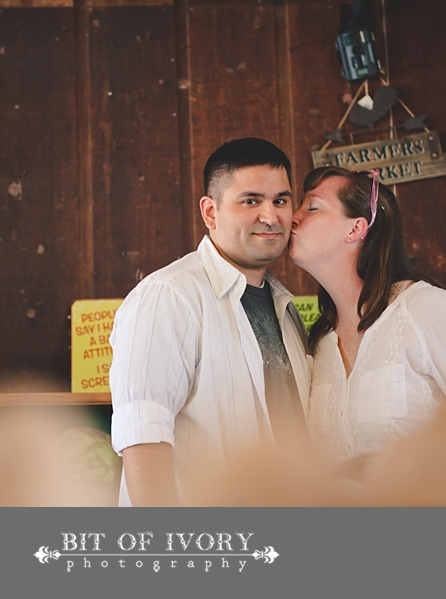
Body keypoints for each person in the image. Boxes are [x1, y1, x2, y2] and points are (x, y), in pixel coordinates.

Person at [109, 138, 312, 506]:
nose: (271, 217)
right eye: (251, 201)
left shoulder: (284, 307)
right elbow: (143, 438)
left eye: (281, 201)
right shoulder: (169, 297)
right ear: (210, 212)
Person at [288, 165, 446, 471]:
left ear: (356, 229)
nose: (292, 216)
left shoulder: (429, 311)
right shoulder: (319, 341)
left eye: (312, 207)